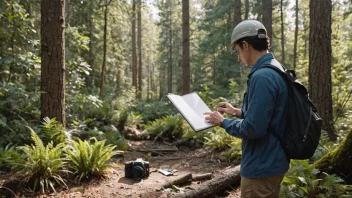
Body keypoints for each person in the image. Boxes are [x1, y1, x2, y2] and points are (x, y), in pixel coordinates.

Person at [204, 20, 289, 198]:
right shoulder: (275, 68)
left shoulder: (262, 76)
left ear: (246, 45)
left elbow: (254, 128)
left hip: (260, 167)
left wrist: (223, 122)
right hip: (272, 161)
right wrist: (237, 112)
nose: (238, 57)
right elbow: (270, 116)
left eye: (237, 50)